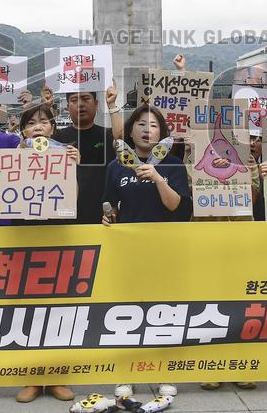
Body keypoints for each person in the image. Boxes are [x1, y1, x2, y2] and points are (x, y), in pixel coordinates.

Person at [101, 105, 191, 409]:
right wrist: (108, 217)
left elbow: (178, 208)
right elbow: (109, 205)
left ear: (162, 134)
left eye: (153, 125)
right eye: (141, 124)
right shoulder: (116, 166)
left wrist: (157, 178)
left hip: (166, 249)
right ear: (130, 131)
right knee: (127, 310)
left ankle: (165, 370)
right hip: (129, 249)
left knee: (164, 309)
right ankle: (126, 371)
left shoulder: (174, 164)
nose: (147, 130)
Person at [0, 102, 78, 404]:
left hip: (55, 237)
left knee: (55, 308)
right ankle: (30, 377)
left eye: (43, 122)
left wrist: (73, 169)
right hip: (22, 238)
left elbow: (73, 198)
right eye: (31, 123)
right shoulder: (12, 159)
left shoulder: (65, 155)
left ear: (52, 128)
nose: (37, 127)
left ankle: (55, 377)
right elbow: (4, 199)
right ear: (22, 131)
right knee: (25, 307)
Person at [52, 84, 122, 224]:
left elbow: (121, 138)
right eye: (74, 100)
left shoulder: (107, 134)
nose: (80, 104)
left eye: (85, 99)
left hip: (102, 212)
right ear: (67, 106)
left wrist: (112, 104)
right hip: (65, 211)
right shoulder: (57, 137)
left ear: (96, 104)